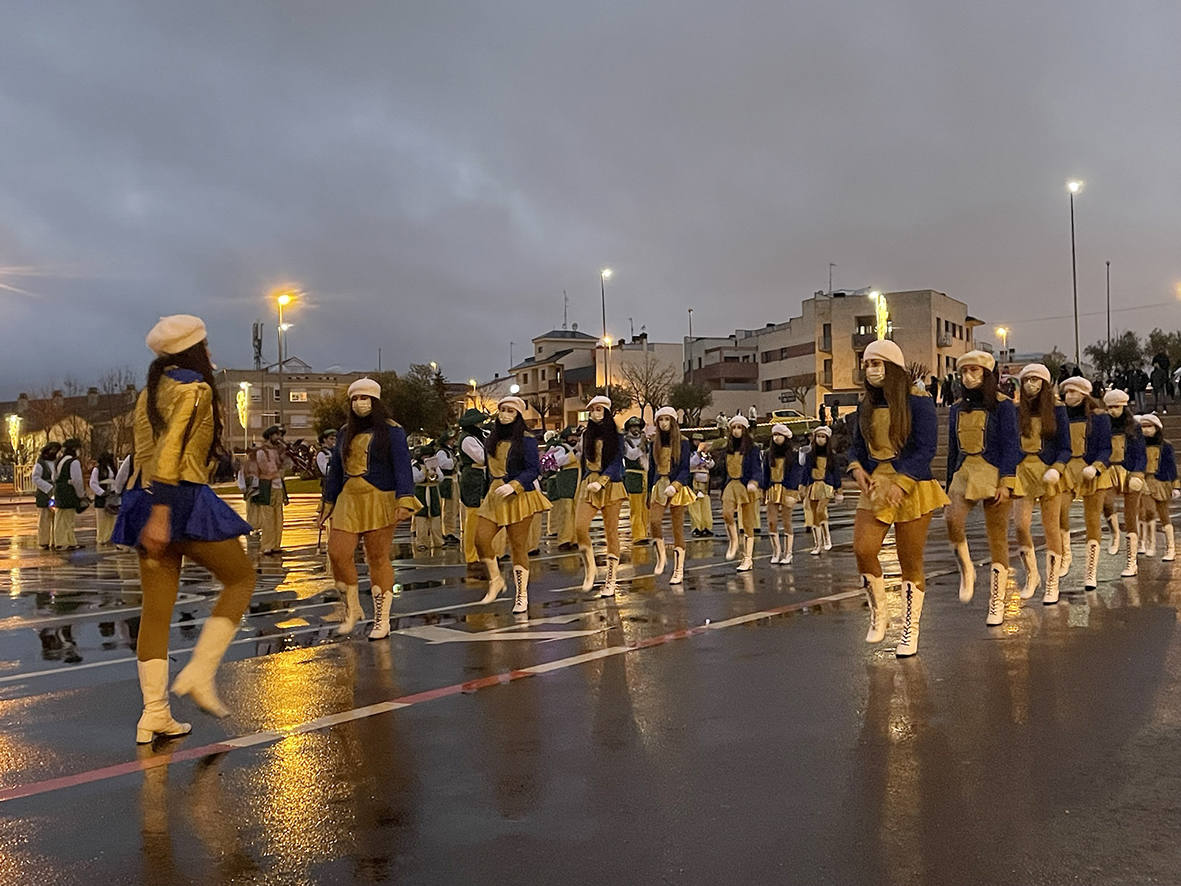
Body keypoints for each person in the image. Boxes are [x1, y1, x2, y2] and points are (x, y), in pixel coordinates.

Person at [111, 314, 256, 743]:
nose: (210, 353)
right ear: (193, 351)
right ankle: (200, 672)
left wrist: (149, 508)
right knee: (241, 578)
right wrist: (162, 513)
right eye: (205, 346)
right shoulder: (196, 388)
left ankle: (154, 712)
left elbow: (142, 455)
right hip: (178, 499)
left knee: (156, 608)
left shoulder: (149, 392)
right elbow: (171, 451)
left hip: (142, 498)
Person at [849, 340, 947, 657]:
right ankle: (879, 611)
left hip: (913, 484)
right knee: (863, 549)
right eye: (866, 364)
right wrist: (856, 468)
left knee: (910, 561)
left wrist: (903, 481)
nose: (871, 370)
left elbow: (925, 448)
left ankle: (910, 629)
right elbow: (856, 447)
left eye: (876, 363)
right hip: (877, 483)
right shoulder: (865, 405)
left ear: (892, 367)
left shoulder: (918, 401)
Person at [321, 377, 420, 638]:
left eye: (364, 398)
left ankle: (382, 619)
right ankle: (353, 607)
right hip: (348, 498)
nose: (359, 403)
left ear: (375, 401)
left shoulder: (392, 430)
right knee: (338, 553)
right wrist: (327, 503)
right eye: (354, 399)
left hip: (380, 497)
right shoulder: (344, 431)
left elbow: (402, 466)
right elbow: (336, 469)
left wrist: (404, 499)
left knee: (377, 557)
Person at [944, 351, 1020, 625]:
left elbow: (1011, 445)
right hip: (964, 472)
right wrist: (946, 484)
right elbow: (953, 450)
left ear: (987, 374)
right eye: (964, 372)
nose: (968, 376)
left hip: (995, 472)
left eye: (974, 371)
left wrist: (1007, 482)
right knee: (952, 521)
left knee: (997, 538)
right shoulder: (956, 409)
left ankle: (997, 602)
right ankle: (967, 568)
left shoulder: (1004, 406)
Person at [474, 396, 552, 612]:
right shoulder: (493, 438)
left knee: (518, 546)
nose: (505, 414)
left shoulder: (527, 439)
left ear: (518, 415)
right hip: (494, 495)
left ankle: (521, 594)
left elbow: (533, 469)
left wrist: (515, 485)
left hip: (518, 495)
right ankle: (496, 579)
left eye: (510, 410)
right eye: (502, 409)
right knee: (480, 539)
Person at [1012, 363, 1072, 604]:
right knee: (1020, 526)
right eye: (1027, 380)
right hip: (1022, 472)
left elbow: (1065, 447)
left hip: (1048, 472)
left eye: (1036, 380)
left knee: (1051, 529)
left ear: (1045, 384)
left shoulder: (1057, 411)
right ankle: (1032, 575)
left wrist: (1057, 469)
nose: (1031, 384)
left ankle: (1052, 583)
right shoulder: (1017, 411)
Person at [1058, 376, 1112, 592]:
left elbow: (1106, 448)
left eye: (1074, 392)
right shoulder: (1060, 416)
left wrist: (1097, 466)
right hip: (1067, 469)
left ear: (1084, 394)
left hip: (1092, 470)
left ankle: (1091, 571)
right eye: (1067, 392)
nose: (1070, 396)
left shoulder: (1099, 417)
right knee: (1059, 511)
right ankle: (1066, 555)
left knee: (1092, 520)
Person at [575, 395, 625, 596]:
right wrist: (585, 483)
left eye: (599, 409)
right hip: (589, 483)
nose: (596, 412)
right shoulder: (587, 434)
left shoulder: (617, 434)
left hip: (611, 484)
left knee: (611, 531)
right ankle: (590, 567)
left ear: (606, 411)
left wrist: (602, 481)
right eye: (593, 409)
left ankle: (611, 579)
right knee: (579, 526)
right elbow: (583, 461)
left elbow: (616, 460)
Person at [647, 406, 696, 584]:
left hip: (676, 487)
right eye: (661, 420)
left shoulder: (683, 442)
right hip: (659, 484)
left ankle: (678, 569)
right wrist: (648, 492)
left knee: (677, 529)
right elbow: (652, 469)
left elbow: (685, 468)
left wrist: (675, 486)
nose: (664, 423)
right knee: (654, 522)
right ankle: (661, 556)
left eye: (667, 419)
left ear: (673, 422)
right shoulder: (654, 442)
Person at [1100, 389, 1146, 577]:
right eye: (1109, 407)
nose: (1112, 411)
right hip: (1109, 470)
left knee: (1130, 515)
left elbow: (1141, 453)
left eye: (1116, 407)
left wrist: (1137, 474)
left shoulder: (1134, 427)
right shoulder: (1103, 426)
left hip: (1130, 472)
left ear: (1124, 406)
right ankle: (1114, 533)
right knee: (1106, 503)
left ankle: (1131, 561)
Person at [719, 415, 762, 572]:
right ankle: (734, 540)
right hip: (732, 483)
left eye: (739, 428)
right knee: (727, 514)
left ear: (744, 430)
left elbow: (757, 468)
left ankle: (747, 558)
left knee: (748, 522)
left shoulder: (752, 449)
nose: (736, 431)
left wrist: (754, 482)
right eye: (734, 428)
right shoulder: (727, 448)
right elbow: (724, 470)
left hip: (746, 485)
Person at [457, 408, 493, 581]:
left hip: (480, 478)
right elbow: (481, 458)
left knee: (479, 519)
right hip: (472, 478)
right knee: (472, 520)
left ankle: (479, 554)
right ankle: (471, 557)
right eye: (478, 422)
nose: (481, 425)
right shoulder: (468, 439)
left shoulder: (477, 438)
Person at [1137, 414, 1178, 561]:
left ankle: (1171, 548)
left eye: (1149, 426)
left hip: (1161, 482)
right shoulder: (1138, 445)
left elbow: (1171, 466)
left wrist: (1176, 486)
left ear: (1157, 427)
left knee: (1164, 515)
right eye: (1143, 427)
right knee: (1146, 511)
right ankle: (1144, 543)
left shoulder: (1166, 446)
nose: (1146, 430)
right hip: (1144, 482)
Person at [762, 423, 804, 565]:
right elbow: (766, 473)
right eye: (774, 435)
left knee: (787, 522)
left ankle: (788, 553)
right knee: (771, 522)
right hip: (772, 489)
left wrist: (793, 491)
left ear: (786, 437)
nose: (776, 438)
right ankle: (776, 551)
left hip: (787, 489)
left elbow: (796, 473)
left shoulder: (793, 454)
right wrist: (764, 489)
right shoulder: (768, 454)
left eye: (779, 435)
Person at [800, 425, 842, 555]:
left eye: (823, 437)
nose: (820, 439)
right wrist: (802, 485)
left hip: (826, 486)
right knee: (814, 515)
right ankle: (817, 544)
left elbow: (836, 473)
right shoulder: (810, 455)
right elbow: (806, 472)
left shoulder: (832, 456)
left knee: (820, 511)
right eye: (818, 436)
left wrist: (838, 489)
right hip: (813, 486)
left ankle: (827, 538)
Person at [255, 424, 292, 555]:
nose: (279, 437)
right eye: (276, 435)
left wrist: (286, 455)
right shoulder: (262, 452)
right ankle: (267, 545)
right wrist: (277, 472)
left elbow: (285, 465)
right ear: (270, 436)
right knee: (268, 518)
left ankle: (277, 544)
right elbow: (264, 469)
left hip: (278, 487)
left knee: (279, 517)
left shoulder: (277, 451)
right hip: (267, 486)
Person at [545, 427, 581, 551]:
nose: (574, 439)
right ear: (566, 437)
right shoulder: (560, 448)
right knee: (565, 511)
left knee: (576, 512)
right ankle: (564, 540)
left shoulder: (579, 448)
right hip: (565, 482)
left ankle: (575, 539)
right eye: (572, 437)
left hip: (577, 482)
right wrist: (573, 454)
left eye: (576, 436)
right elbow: (557, 462)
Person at [53, 438, 88, 550]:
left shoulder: (59, 461)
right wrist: (81, 494)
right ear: (74, 449)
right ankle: (67, 542)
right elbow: (77, 480)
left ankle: (62, 541)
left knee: (60, 518)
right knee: (68, 519)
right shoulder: (74, 462)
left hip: (59, 490)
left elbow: (54, 477)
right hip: (69, 492)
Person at [621, 416, 651, 546]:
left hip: (646, 475)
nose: (636, 429)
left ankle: (646, 532)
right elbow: (631, 455)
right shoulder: (626, 441)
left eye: (638, 427)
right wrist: (641, 446)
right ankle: (638, 535)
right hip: (633, 475)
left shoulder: (646, 441)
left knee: (646, 507)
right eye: (633, 427)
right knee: (636, 507)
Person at [411, 445, 444, 551]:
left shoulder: (434, 465)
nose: (426, 457)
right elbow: (416, 478)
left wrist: (434, 472)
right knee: (421, 519)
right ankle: (421, 542)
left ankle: (438, 541)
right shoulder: (415, 466)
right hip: (421, 492)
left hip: (433, 491)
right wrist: (425, 471)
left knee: (436, 518)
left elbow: (441, 477)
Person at [89, 450, 121, 546]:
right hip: (102, 497)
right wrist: (101, 492)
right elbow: (93, 483)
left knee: (112, 518)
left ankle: (111, 537)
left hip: (112, 496)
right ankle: (102, 538)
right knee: (101, 519)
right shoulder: (97, 470)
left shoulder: (113, 469)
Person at [32, 442, 60, 550]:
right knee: (44, 518)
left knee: (56, 518)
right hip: (44, 494)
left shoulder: (57, 462)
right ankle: (44, 541)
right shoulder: (40, 463)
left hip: (56, 493)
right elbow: (36, 478)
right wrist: (48, 488)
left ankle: (55, 540)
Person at [688, 435, 715, 537]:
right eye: (695, 440)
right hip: (693, 481)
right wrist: (698, 454)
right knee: (694, 506)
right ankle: (696, 527)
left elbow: (711, 464)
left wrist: (705, 455)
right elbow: (691, 463)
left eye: (700, 440)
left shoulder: (705, 454)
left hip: (705, 482)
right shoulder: (690, 453)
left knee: (706, 506)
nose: (697, 442)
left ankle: (707, 527)